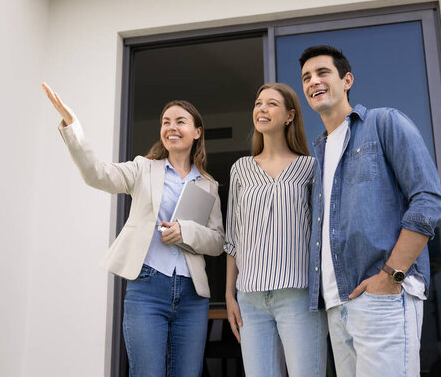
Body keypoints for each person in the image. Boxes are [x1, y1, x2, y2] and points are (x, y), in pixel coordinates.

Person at [42, 83, 224, 377]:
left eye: (180, 121)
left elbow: (217, 242)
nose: (171, 127)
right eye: (166, 122)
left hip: (192, 296)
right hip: (148, 288)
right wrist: (72, 126)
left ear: (197, 132)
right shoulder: (143, 169)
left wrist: (185, 231)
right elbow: (96, 174)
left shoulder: (208, 185)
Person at [298, 45, 441, 377]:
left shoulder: (384, 123)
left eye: (323, 73)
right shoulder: (319, 152)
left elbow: (428, 200)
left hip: (382, 297)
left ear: (347, 79)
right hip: (337, 305)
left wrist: (392, 275)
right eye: (306, 77)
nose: (313, 82)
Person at [224, 82, 328, 377]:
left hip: (299, 295)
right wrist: (230, 295)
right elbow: (233, 237)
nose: (262, 109)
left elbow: (321, 233)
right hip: (250, 299)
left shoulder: (310, 167)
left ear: (290, 116)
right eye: (258, 103)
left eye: (271, 104)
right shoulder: (241, 168)